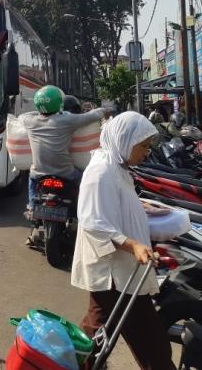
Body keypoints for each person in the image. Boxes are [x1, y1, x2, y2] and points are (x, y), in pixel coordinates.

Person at [71, 112, 175, 370]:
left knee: (98, 334)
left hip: (122, 271)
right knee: (146, 341)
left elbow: (115, 207)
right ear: (125, 140)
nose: (146, 153)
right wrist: (134, 245)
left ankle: (70, 363)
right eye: (143, 146)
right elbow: (94, 221)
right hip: (114, 274)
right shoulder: (101, 171)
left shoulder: (115, 166)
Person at [21, 85, 109, 214]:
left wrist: (39, 111)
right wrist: (105, 110)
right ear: (59, 103)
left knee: (31, 177)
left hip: (39, 173)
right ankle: (84, 209)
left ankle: (32, 205)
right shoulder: (67, 119)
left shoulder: (30, 122)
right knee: (85, 179)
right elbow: (92, 116)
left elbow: (23, 116)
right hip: (66, 173)